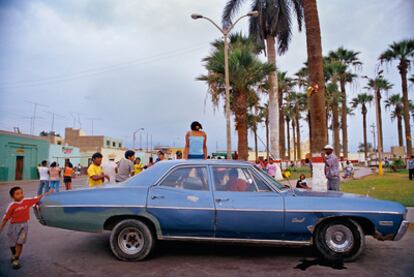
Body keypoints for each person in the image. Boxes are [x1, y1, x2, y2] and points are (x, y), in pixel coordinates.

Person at [0, 186, 43, 269]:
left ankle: (16, 258)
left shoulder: (26, 201)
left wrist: (47, 193)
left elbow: (37, 198)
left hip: (24, 226)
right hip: (13, 226)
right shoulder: (12, 206)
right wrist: (1, 227)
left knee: (20, 242)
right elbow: (6, 218)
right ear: (12, 197)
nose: (20, 195)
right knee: (12, 243)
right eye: (17, 194)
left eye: (21, 193)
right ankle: (13, 254)